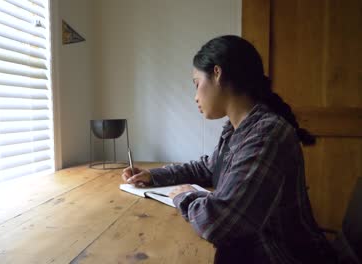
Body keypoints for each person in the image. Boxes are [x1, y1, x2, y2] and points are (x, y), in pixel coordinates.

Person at [121, 35, 337, 263]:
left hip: (280, 256)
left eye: (196, 83)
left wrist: (183, 196)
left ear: (217, 73)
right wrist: (153, 176)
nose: (195, 97)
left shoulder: (267, 134)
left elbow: (219, 223)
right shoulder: (237, 130)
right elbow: (207, 167)